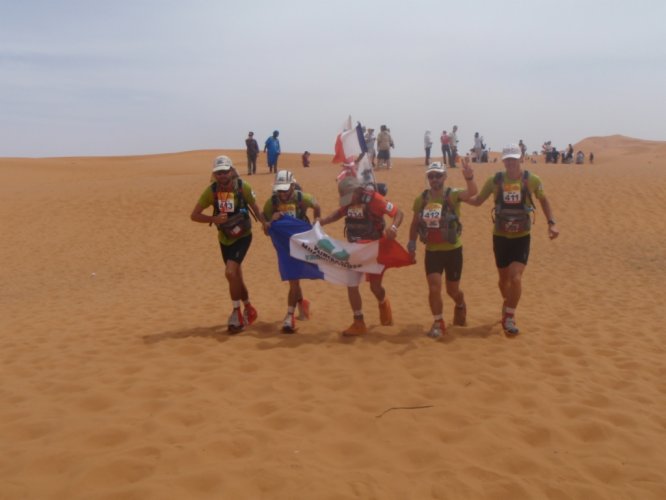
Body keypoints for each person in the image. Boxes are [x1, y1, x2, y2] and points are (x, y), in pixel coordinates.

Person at [466, 144, 559, 336]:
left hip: (521, 237)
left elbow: (543, 200)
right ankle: (508, 302)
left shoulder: (532, 180)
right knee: (503, 281)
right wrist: (457, 195)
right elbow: (477, 201)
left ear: (520, 159)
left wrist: (552, 223)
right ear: (503, 161)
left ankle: (509, 315)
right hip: (500, 237)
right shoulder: (495, 180)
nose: (511, 163)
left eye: (514, 159)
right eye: (507, 159)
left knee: (515, 277)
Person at [190, 155, 268, 333]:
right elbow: (194, 215)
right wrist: (213, 219)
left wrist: (265, 223)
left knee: (230, 272)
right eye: (219, 172)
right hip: (224, 238)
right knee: (236, 276)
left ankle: (236, 314)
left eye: (225, 171)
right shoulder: (211, 191)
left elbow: (256, 208)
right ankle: (249, 308)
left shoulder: (243, 187)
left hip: (243, 236)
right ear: (214, 174)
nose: (222, 175)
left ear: (231, 171)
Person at [319, 176, 404, 336]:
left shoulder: (375, 200)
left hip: (374, 250)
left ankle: (383, 303)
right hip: (354, 250)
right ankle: (359, 322)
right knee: (351, 284)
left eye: (349, 197)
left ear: (357, 190)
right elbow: (339, 213)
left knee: (375, 288)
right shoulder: (349, 202)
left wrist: (393, 228)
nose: (347, 201)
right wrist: (323, 221)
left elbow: (399, 213)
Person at [408, 159, 477, 338]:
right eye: (431, 176)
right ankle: (438, 322)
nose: (434, 179)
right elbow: (414, 223)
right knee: (434, 287)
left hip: (453, 250)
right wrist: (412, 244)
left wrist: (469, 177)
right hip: (433, 251)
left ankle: (460, 303)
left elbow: (472, 192)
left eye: (438, 176)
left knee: (452, 290)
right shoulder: (422, 199)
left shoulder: (452, 195)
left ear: (444, 177)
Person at [263, 170, 321, 333]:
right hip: (283, 244)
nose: (282, 193)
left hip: (301, 243)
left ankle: (289, 316)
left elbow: (316, 206)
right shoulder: (272, 202)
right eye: (279, 190)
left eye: (285, 189)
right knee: (293, 278)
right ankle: (302, 304)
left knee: (294, 279)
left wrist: (316, 221)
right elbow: (266, 227)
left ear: (293, 186)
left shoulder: (303, 198)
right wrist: (270, 221)